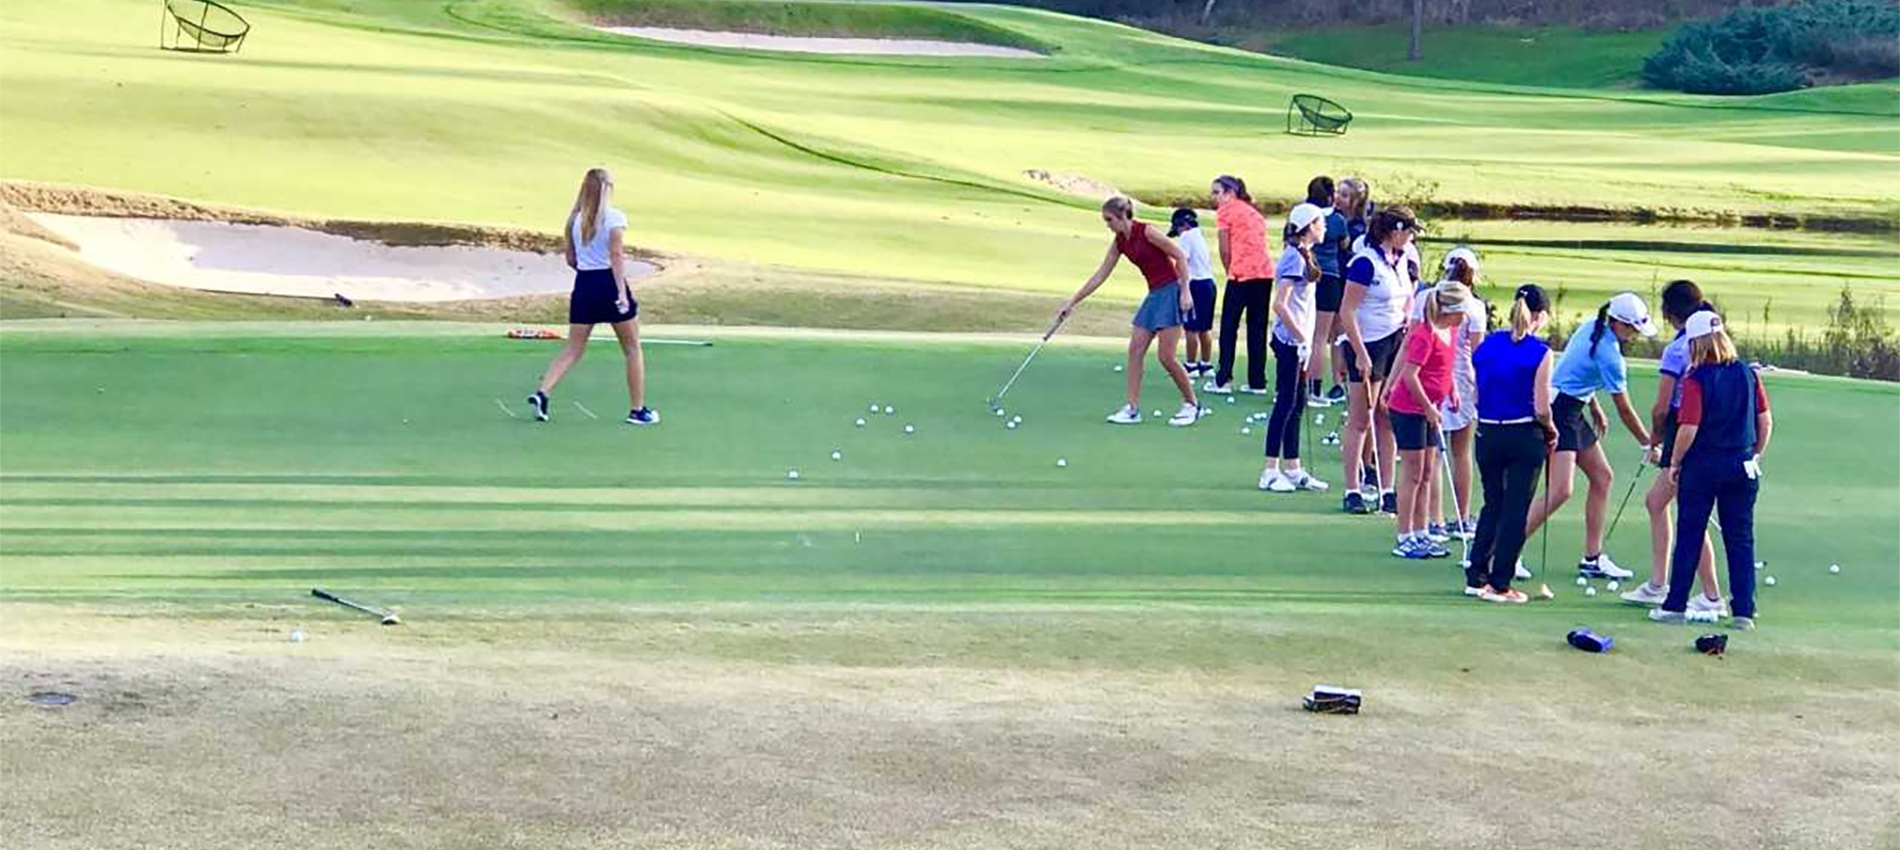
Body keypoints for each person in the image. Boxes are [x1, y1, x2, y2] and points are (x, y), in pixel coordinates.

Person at [1521, 292, 1657, 580]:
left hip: (1572, 406)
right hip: (1559, 410)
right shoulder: (1610, 354)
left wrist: (1593, 405)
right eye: (1632, 329)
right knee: (1561, 490)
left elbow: (1579, 371)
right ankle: (1506, 552)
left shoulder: (1593, 325)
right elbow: (1625, 410)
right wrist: (1648, 443)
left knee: (1602, 477)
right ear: (1618, 322)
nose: (1634, 336)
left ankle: (1592, 558)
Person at [1652, 312, 1772, 630]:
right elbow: (1765, 421)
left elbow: (1688, 428)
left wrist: (1675, 462)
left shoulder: (1696, 379)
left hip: (1702, 466)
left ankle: (1675, 606)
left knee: (1690, 534)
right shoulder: (1749, 374)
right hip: (1742, 465)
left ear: (1696, 343)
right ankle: (1744, 612)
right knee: (1741, 539)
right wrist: (1755, 453)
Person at [1621, 280, 1726, 617]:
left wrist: (1654, 440)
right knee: (1658, 502)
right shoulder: (1714, 337)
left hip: (1684, 428)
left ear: (1669, 313)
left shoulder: (1677, 350)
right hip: (1708, 428)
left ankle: (1710, 595)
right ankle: (1658, 583)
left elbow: (1662, 407)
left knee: (1688, 512)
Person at [1057, 196, 1203, 427]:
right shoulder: (1119, 242)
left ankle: (1192, 404)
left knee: (1166, 357)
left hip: (1171, 291)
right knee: (1135, 351)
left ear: (1123, 216)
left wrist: (1185, 291)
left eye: (1110, 220)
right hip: (1154, 295)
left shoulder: (1147, 232)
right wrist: (1072, 301)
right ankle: (1132, 409)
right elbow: (1100, 274)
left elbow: (1180, 256)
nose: (1108, 224)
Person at [527, 167, 656, 426]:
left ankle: (544, 392)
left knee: (573, 348)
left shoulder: (575, 220)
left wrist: (589, 272)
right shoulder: (614, 217)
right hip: (608, 282)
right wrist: (620, 292)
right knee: (632, 348)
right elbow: (616, 256)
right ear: (607, 189)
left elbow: (572, 259)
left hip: (584, 284)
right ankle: (637, 410)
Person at [1464, 285, 1559, 602]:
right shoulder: (1541, 352)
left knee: (1493, 504)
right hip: (1523, 435)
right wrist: (1551, 429)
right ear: (1541, 315)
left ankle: (1476, 576)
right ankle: (1500, 583)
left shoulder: (1487, 347)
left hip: (1488, 433)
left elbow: (1478, 395)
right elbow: (1542, 407)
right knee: (1516, 509)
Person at [1336, 205, 1418, 515]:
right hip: (1366, 343)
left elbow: (1408, 297)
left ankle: (1387, 490)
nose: (1410, 238)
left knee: (1387, 418)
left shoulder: (1402, 260)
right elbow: (1347, 311)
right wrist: (1358, 352)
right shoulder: (1364, 263)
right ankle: (1353, 489)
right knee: (1360, 418)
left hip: (1393, 342)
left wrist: (1407, 319)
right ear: (1394, 231)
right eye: (1408, 231)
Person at [1387, 282, 1472, 558]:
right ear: (1452, 310)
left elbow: (1443, 369)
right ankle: (1405, 535)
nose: (1466, 316)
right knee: (1412, 473)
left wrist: (1452, 390)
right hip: (1409, 410)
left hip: (1430, 408)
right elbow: (1410, 376)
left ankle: (1421, 531)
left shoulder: (1451, 329)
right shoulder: (1424, 335)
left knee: (1425, 473)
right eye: (1463, 311)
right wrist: (1428, 406)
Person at [1259, 203, 1332, 493]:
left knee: (1298, 404)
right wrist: (1301, 338)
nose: (1324, 227)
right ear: (1309, 226)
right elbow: (1280, 304)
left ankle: (1292, 467)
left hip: (1297, 340)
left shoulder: (1304, 253)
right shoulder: (1294, 258)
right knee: (1285, 404)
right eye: (1320, 223)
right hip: (1290, 341)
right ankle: (1269, 470)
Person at [1418, 248, 1487, 544]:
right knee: (1460, 452)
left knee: (1432, 455)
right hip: (1461, 382)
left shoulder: (1426, 297)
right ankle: (1460, 518)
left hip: (1431, 379)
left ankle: (1435, 520)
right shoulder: (1474, 305)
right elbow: (1478, 354)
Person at [1205, 175, 1272, 396]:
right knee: (1257, 328)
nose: (1213, 197)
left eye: (1217, 192)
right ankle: (1257, 381)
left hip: (1242, 274)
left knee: (1229, 326)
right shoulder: (1253, 211)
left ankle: (1224, 378)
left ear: (1230, 193)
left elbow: (1225, 248)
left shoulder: (1226, 211)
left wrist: (1229, 270)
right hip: (1263, 274)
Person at [1304, 177, 1350, 410]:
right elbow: (1344, 245)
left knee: (1306, 334)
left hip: (1306, 279)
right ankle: (1314, 388)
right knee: (1321, 337)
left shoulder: (1304, 216)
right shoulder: (1337, 220)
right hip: (1329, 278)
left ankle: (1301, 385)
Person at [1328, 177, 1373, 405]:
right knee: (1335, 331)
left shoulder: (1359, 228)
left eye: (1344, 195)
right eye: (1338, 193)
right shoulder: (1333, 219)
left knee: (1348, 328)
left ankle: (1349, 375)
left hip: (1351, 283)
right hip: (1336, 280)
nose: (1338, 198)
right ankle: (1337, 381)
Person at [1170, 208, 1218, 379]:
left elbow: (1181, 262)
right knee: (1205, 328)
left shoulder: (1186, 237)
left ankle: (1191, 366)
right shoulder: (1199, 235)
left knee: (1191, 328)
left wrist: (1178, 283)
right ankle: (1206, 364)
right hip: (1209, 284)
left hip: (1195, 285)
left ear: (1183, 225)